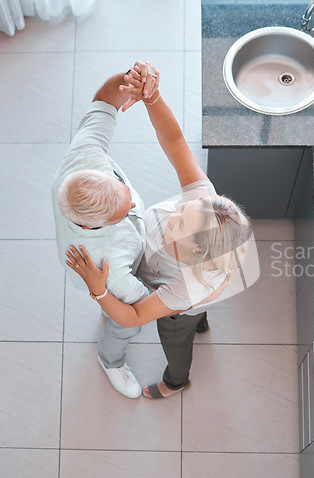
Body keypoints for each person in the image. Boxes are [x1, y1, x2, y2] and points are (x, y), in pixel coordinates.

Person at [66, 64, 253, 400]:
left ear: (195, 251)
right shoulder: (203, 202)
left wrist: (99, 291)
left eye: (179, 224)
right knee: (198, 314)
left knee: (176, 334)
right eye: (183, 207)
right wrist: (152, 97)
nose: (173, 214)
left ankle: (176, 381)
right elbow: (173, 139)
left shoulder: (186, 288)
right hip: (191, 274)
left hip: (182, 305)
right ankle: (203, 323)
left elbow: (136, 314)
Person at [52, 62, 160, 399]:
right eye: (122, 212)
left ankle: (104, 310)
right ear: (91, 226)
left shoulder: (83, 158)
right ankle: (110, 360)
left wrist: (129, 80)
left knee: (113, 305)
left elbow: (104, 100)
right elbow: (137, 310)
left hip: (111, 277)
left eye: (123, 192)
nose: (132, 206)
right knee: (124, 324)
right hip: (105, 282)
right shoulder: (104, 261)